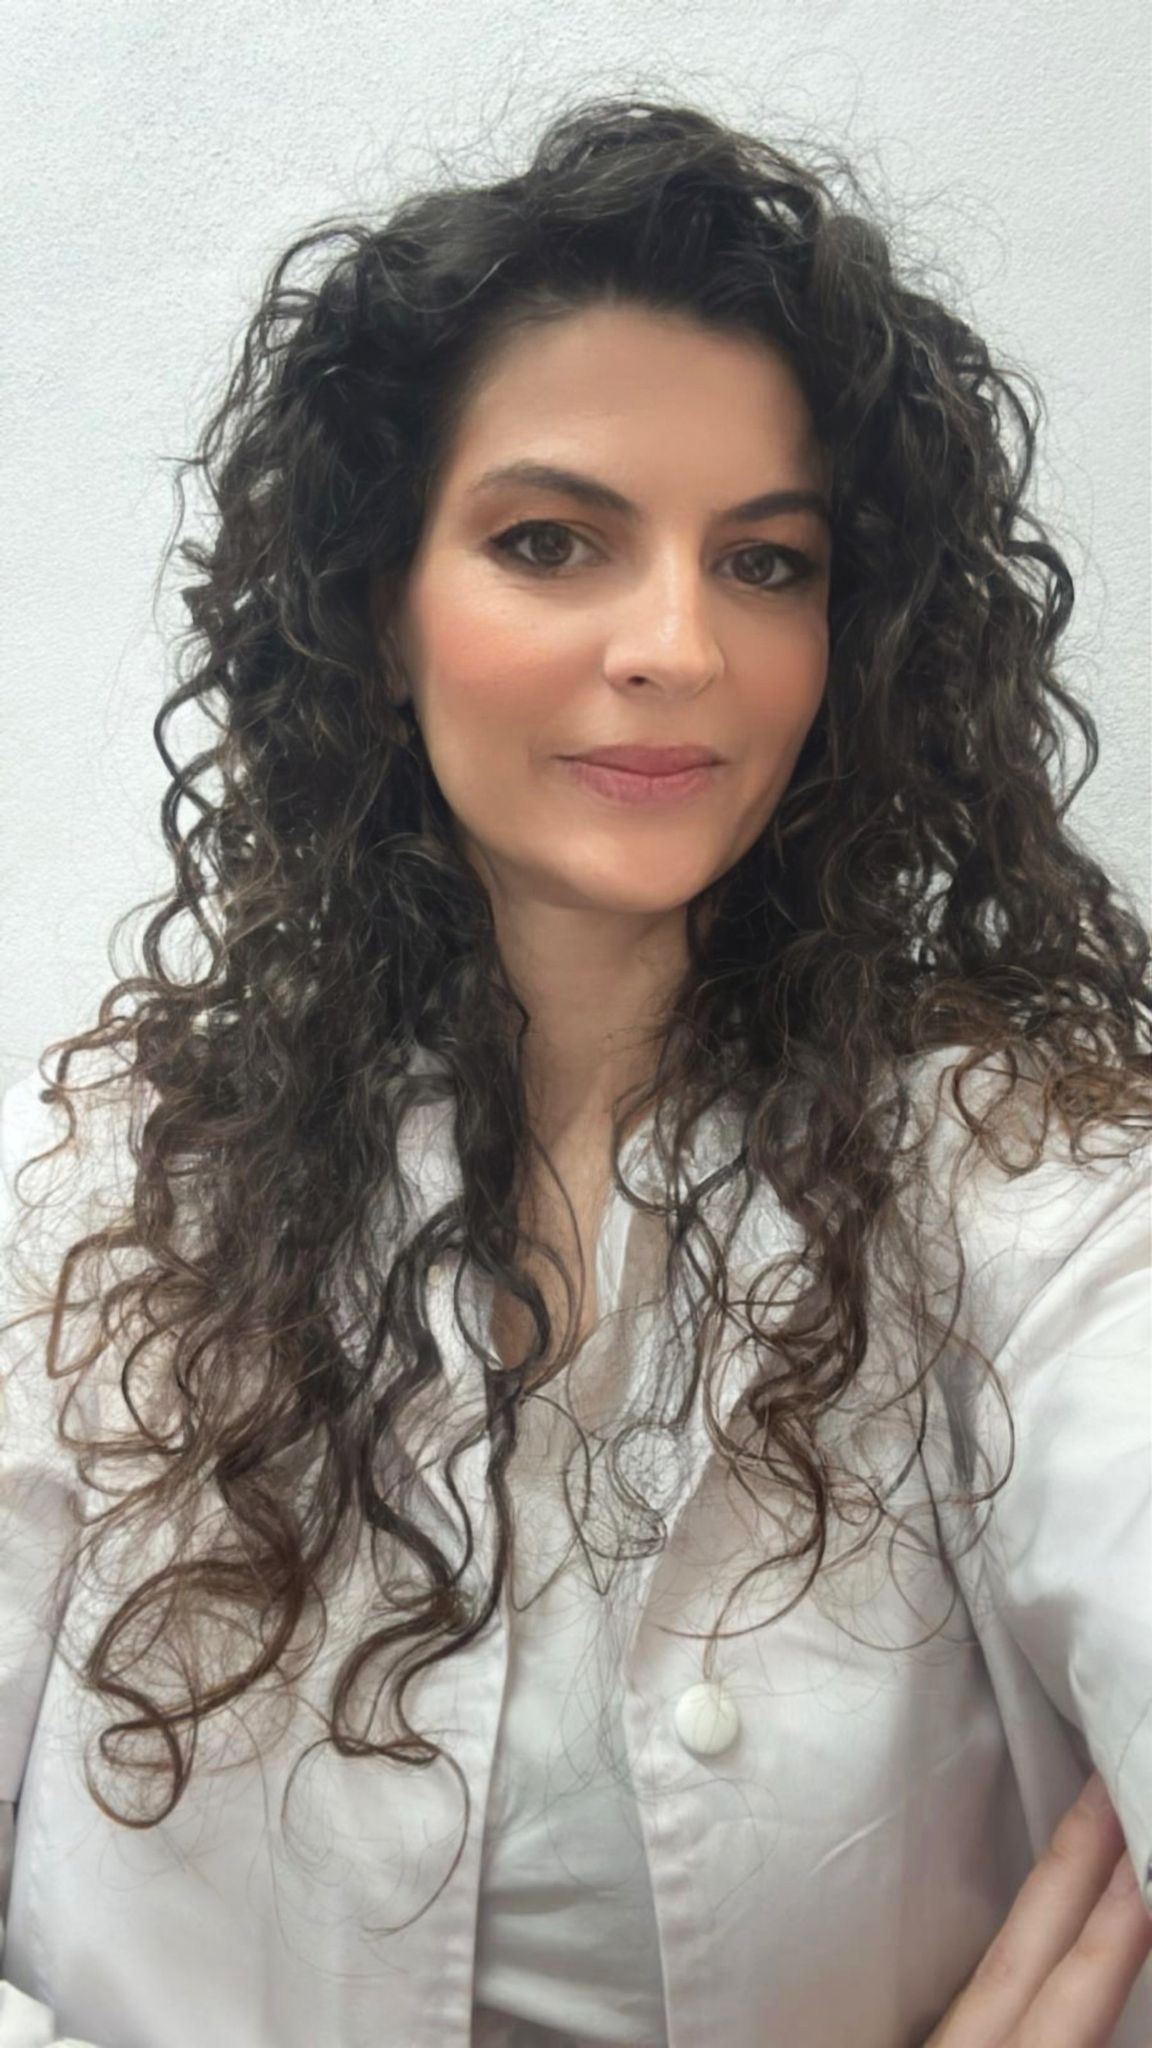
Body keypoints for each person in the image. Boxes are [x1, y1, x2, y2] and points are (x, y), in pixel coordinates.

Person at [1, 95, 1150, 2048]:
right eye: (552, 543)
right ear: (379, 612)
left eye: (767, 563)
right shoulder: (106, 1197)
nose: (679, 643)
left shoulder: (1029, 1183)